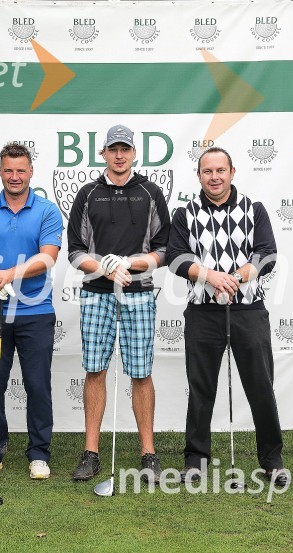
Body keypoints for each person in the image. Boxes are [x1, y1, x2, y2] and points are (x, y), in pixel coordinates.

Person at [165, 146, 288, 487]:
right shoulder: (185, 213)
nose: (214, 177)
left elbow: (268, 254)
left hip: (248, 310)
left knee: (260, 386)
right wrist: (208, 275)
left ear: (232, 172)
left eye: (220, 170)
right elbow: (175, 258)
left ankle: (272, 460)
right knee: (201, 387)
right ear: (199, 176)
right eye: (208, 171)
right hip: (203, 312)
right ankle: (195, 459)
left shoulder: (254, 209)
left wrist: (237, 276)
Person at [67, 124, 171, 484]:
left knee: (141, 372)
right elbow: (75, 252)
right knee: (95, 369)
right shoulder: (88, 194)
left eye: (125, 149)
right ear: (104, 154)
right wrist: (106, 269)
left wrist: (130, 265)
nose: (119, 155)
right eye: (113, 149)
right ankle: (91, 453)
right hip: (97, 293)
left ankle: (148, 453)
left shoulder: (150, 192)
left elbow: (164, 250)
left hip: (139, 292)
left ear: (134, 153)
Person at [0, 142, 63, 480]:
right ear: (0, 171)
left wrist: (11, 273)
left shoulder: (47, 210)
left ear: (31, 172)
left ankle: (39, 453)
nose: (15, 176)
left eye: (21, 170)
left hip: (36, 312)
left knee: (37, 384)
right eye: (9, 170)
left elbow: (47, 257)